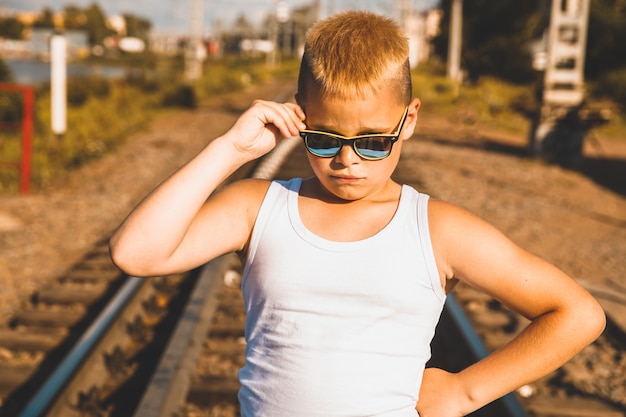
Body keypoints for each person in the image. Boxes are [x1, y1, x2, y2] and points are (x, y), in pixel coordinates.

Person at [109, 11, 605, 417]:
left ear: (407, 121)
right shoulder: (258, 207)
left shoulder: (437, 230)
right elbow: (136, 253)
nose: (347, 161)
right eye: (324, 139)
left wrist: (464, 391)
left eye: (371, 141)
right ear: (298, 114)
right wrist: (229, 150)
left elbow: (578, 313)